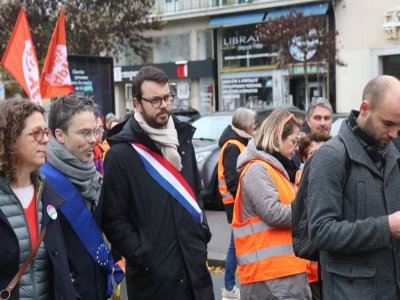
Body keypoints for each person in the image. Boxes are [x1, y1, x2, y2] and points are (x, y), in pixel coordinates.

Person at [101, 66, 214, 300]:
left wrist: (201, 234)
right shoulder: (121, 154)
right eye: (155, 100)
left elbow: (196, 194)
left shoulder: (183, 141)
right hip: (152, 282)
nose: (164, 105)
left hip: (196, 273)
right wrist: (144, 254)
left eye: (167, 97)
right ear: (137, 104)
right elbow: (112, 219)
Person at [308, 75, 400, 299]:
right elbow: (320, 232)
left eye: (399, 125)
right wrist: (385, 227)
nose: (394, 133)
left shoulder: (392, 154)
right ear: (364, 109)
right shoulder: (331, 157)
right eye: (388, 123)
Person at [0, 98, 76, 299]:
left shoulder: (47, 191)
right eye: (36, 133)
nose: (45, 140)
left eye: (46, 132)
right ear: (10, 139)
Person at [233, 108, 310, 299]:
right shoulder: (258, 169)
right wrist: (311, 213)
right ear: (277, 136)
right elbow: (274, 213)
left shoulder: (276, 169)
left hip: (281, 272)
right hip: (270, 276)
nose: (296, 149)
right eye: (293, 141)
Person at [41, 94, 109, 300]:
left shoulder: (93, 174)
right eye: (85, 133)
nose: (94, 139)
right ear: (60, 135)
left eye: (95, 131)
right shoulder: (42, 181)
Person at [218, 107, 256, 300]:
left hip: (236, 203)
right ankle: (229, 287)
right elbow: (233, 180)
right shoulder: (234, 146)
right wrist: (247, 199)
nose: (255, 127)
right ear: (245, 125)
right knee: (236, 246)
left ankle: (230, 287)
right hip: (237, 203)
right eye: (253, 123)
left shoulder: (237, 143)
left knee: (237, 244)